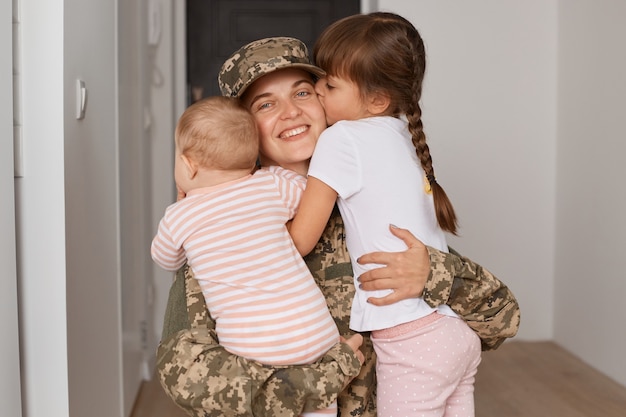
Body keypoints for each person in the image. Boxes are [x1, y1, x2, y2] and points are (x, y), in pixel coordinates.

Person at [156, 35, 520, 417]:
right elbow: (187, 374)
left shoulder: (371, 210)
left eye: (302, 93)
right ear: (245, 129)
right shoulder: (217, 232)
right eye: (266, 104)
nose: (290, 112)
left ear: (325, 100)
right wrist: (320, 380)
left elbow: (502, 321)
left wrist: (435, 273)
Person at [288, 12, 481, 416]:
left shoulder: (342, 138)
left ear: (377, 99)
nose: (317, 90)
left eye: (330, 84)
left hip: (413, 341)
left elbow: (298, 241)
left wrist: (225, 209)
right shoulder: (400, 133)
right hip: (454, 330)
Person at [151, 95, 365, 416]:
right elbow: (308, 194)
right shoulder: (271, 185)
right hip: (315, 333)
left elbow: (166, 259)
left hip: (255, 348)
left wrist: (182, 208)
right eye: (267, 104)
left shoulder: (179, 217)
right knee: (321, 406)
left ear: (188, 164)